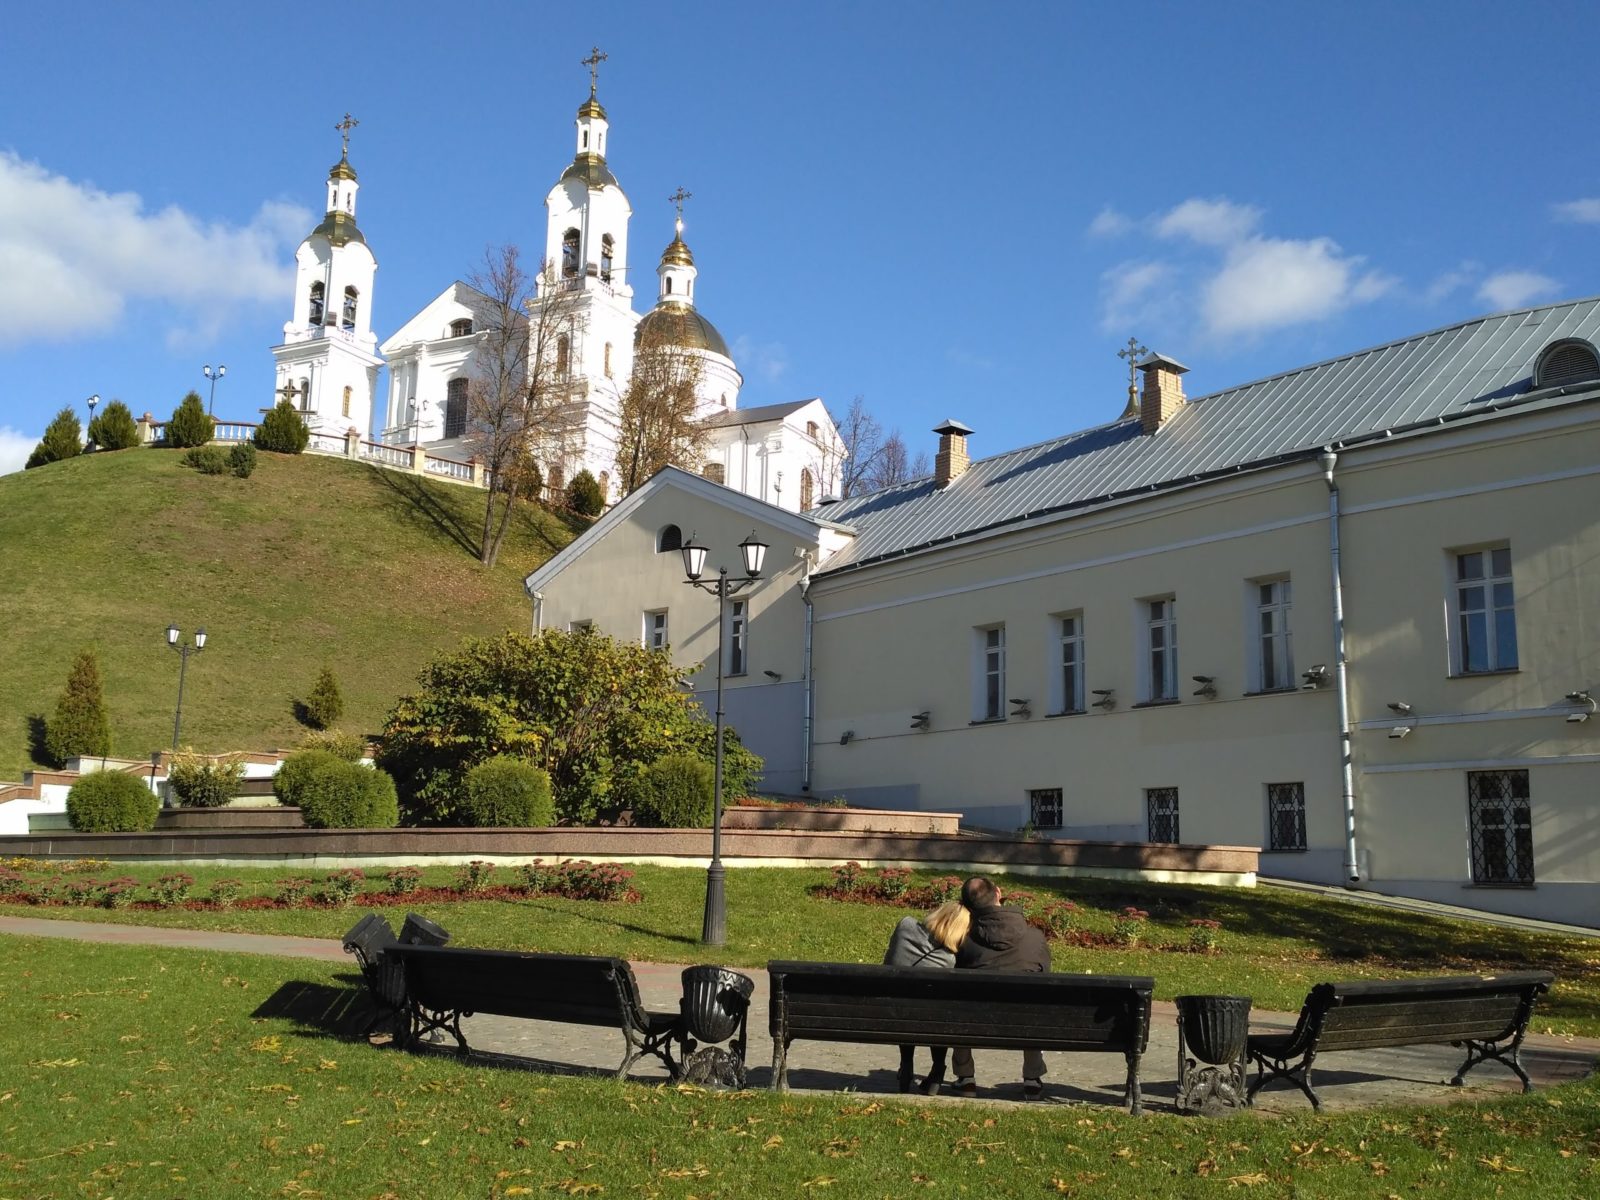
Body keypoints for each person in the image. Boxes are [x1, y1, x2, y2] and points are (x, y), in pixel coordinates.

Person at [951, 875, 1050, 1100]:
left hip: (976, 1022)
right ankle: (1032, 1079)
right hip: (1024, 1022)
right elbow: (1045, 978)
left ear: (966, 906)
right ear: (998, 894)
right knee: (1035, 1001)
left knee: (959, 1002)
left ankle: (966, 1077)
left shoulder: (964, 940)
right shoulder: (1034, 938)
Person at [882, 900, 970, 1094]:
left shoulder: (905, 925)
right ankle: (938, 1069)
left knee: (907, 1004)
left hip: (892, 1010)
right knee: (937, 1012)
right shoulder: (948, 958)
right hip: (930, 1018)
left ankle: (906, 1065)